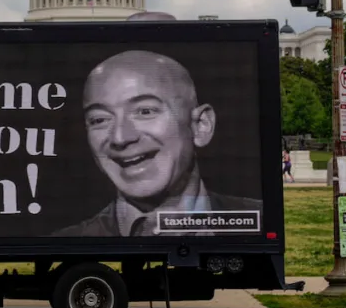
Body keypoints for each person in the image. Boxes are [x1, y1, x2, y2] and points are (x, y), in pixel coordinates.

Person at [52, 50, 262, 237]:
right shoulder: (68, 239)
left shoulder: (260, 219)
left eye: (145, 111)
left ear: (201, 125)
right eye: (99, 120)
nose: (120, 138)